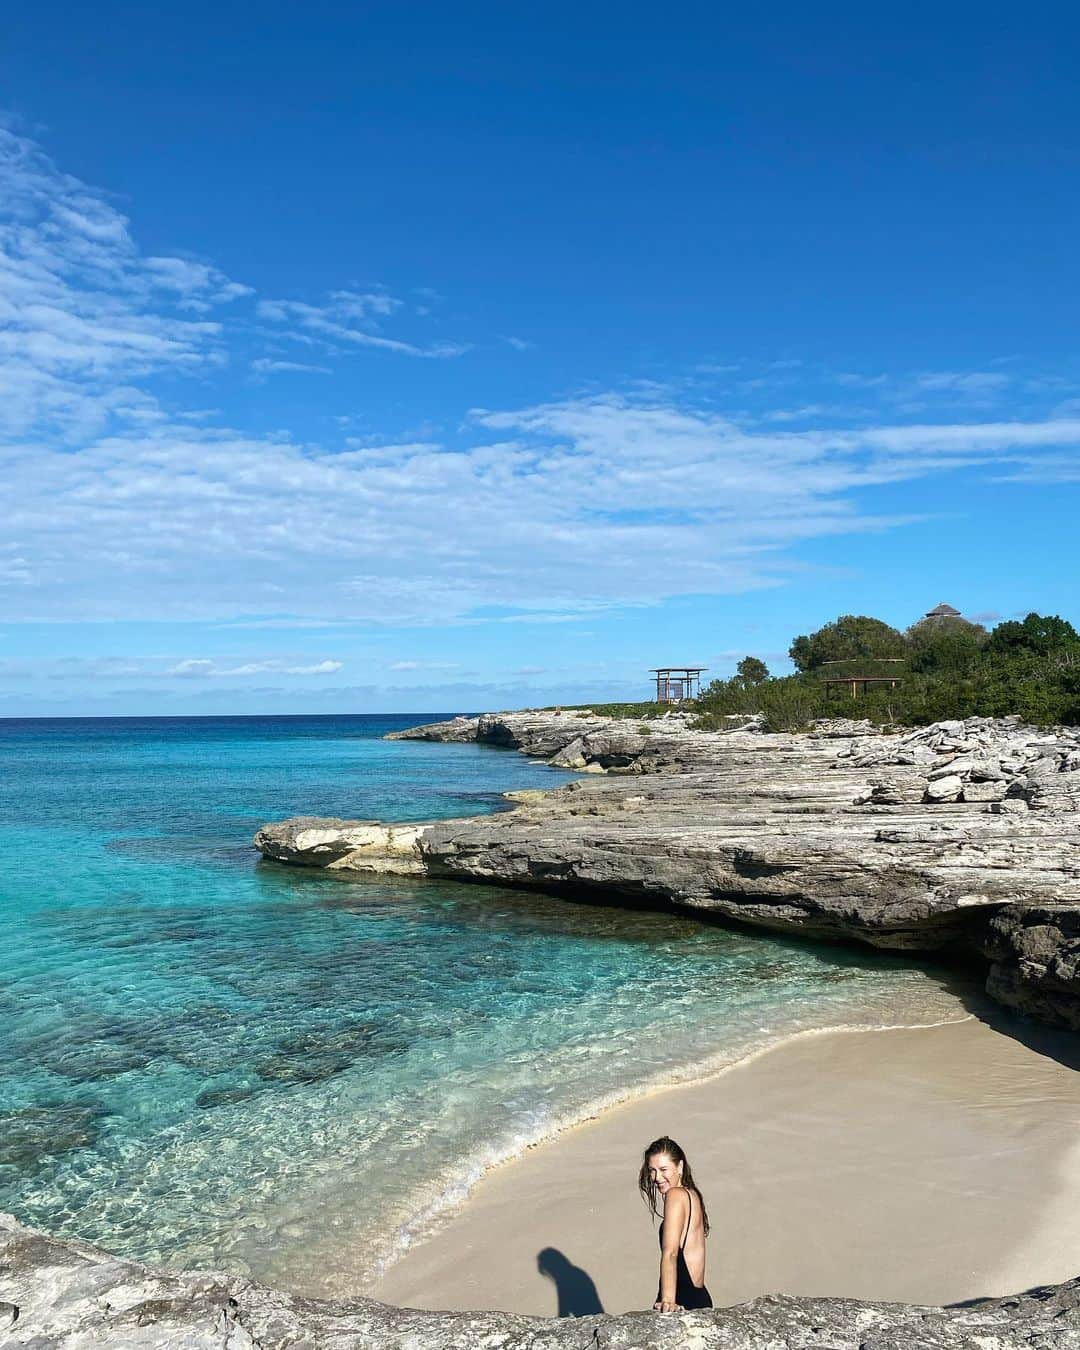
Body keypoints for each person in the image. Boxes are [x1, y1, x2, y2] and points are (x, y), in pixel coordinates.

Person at [637, 1135, 713, 1312]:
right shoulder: (692, 1194)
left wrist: (668, 1300)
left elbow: (670, 1253)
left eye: (664, 1169)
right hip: (697, 1297)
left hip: (682, 1300)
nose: (657, 1177)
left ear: (679, 1166)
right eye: (652, 1170)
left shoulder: (676, 1195)